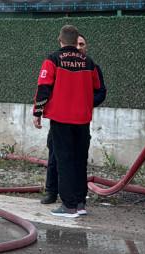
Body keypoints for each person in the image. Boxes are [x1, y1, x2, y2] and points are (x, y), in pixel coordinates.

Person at [32, 25, 105, 218]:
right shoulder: (89, 62)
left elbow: (44, 87)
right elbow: (98, 89)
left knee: (63, 160)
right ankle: (80, 203)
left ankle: (68, 206)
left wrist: (37, 112)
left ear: (61, 40)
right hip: (82, 120)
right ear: (75, 41)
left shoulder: (53, 60)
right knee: (79, 160)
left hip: (61, 118)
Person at [41, 34, 88, 204]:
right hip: (60, 119)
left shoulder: (89, 64)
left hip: (79, 120)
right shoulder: (57, 61)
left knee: (74, 160)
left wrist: (86, 102)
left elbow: (99, 91)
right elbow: (47, 88)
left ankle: (71, 201)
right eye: (77, 44)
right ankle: (52, 191)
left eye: (82, 44)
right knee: (55, 157)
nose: (79, 47)